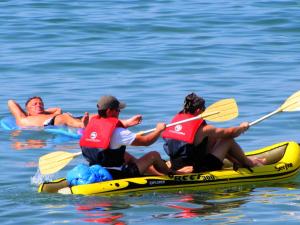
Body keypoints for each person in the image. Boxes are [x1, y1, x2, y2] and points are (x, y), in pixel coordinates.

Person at [162, 92, 264, 173]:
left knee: (213, 138)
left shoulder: (176, 122)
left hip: (177, 164)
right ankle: (249, 163)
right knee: (227, 140)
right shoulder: (204, 129)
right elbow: (230, 133)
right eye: (204, 108)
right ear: (198, 111)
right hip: (196, 169)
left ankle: (237, 162)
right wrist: (242, 127)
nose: (205, 110)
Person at [79, 95, 174, 179]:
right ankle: (173, 175)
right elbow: (146, 142)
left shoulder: (91, 127)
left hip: (95, 171)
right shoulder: (119, 132)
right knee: (154, 155)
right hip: (117, 175)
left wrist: (127, 123)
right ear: (109, 111)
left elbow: (107, 129)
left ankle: (155, 173)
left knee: (125, 155)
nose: (119, 112)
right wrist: (158, 130)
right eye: (117, 110)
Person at [7, 96, 89, 128]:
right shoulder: (23, 118)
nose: (38, 105)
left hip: (54, 120)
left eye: (41, 104)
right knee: (64, 117)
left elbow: (58, 109)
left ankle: (87, 122)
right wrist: (27, 113)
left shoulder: (46, 114)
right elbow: (10, 102)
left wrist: (42, 112)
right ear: (27, 109)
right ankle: (82, 125)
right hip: (49, 123)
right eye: (34, 104)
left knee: (89, 117)